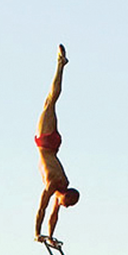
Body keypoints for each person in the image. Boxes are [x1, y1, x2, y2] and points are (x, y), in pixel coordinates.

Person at [34, 45, 80, 243]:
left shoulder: (62, 185)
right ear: (66, 196)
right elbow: (42, 209)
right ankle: (60, 65)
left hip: (52, 145)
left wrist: (51, 236)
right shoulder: (55, 184)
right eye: (67, 204)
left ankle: (61, 65)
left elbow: (53, 215)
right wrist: (37, 233)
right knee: (50, 101)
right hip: (46, 143)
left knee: (50, 102)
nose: (65, 207)